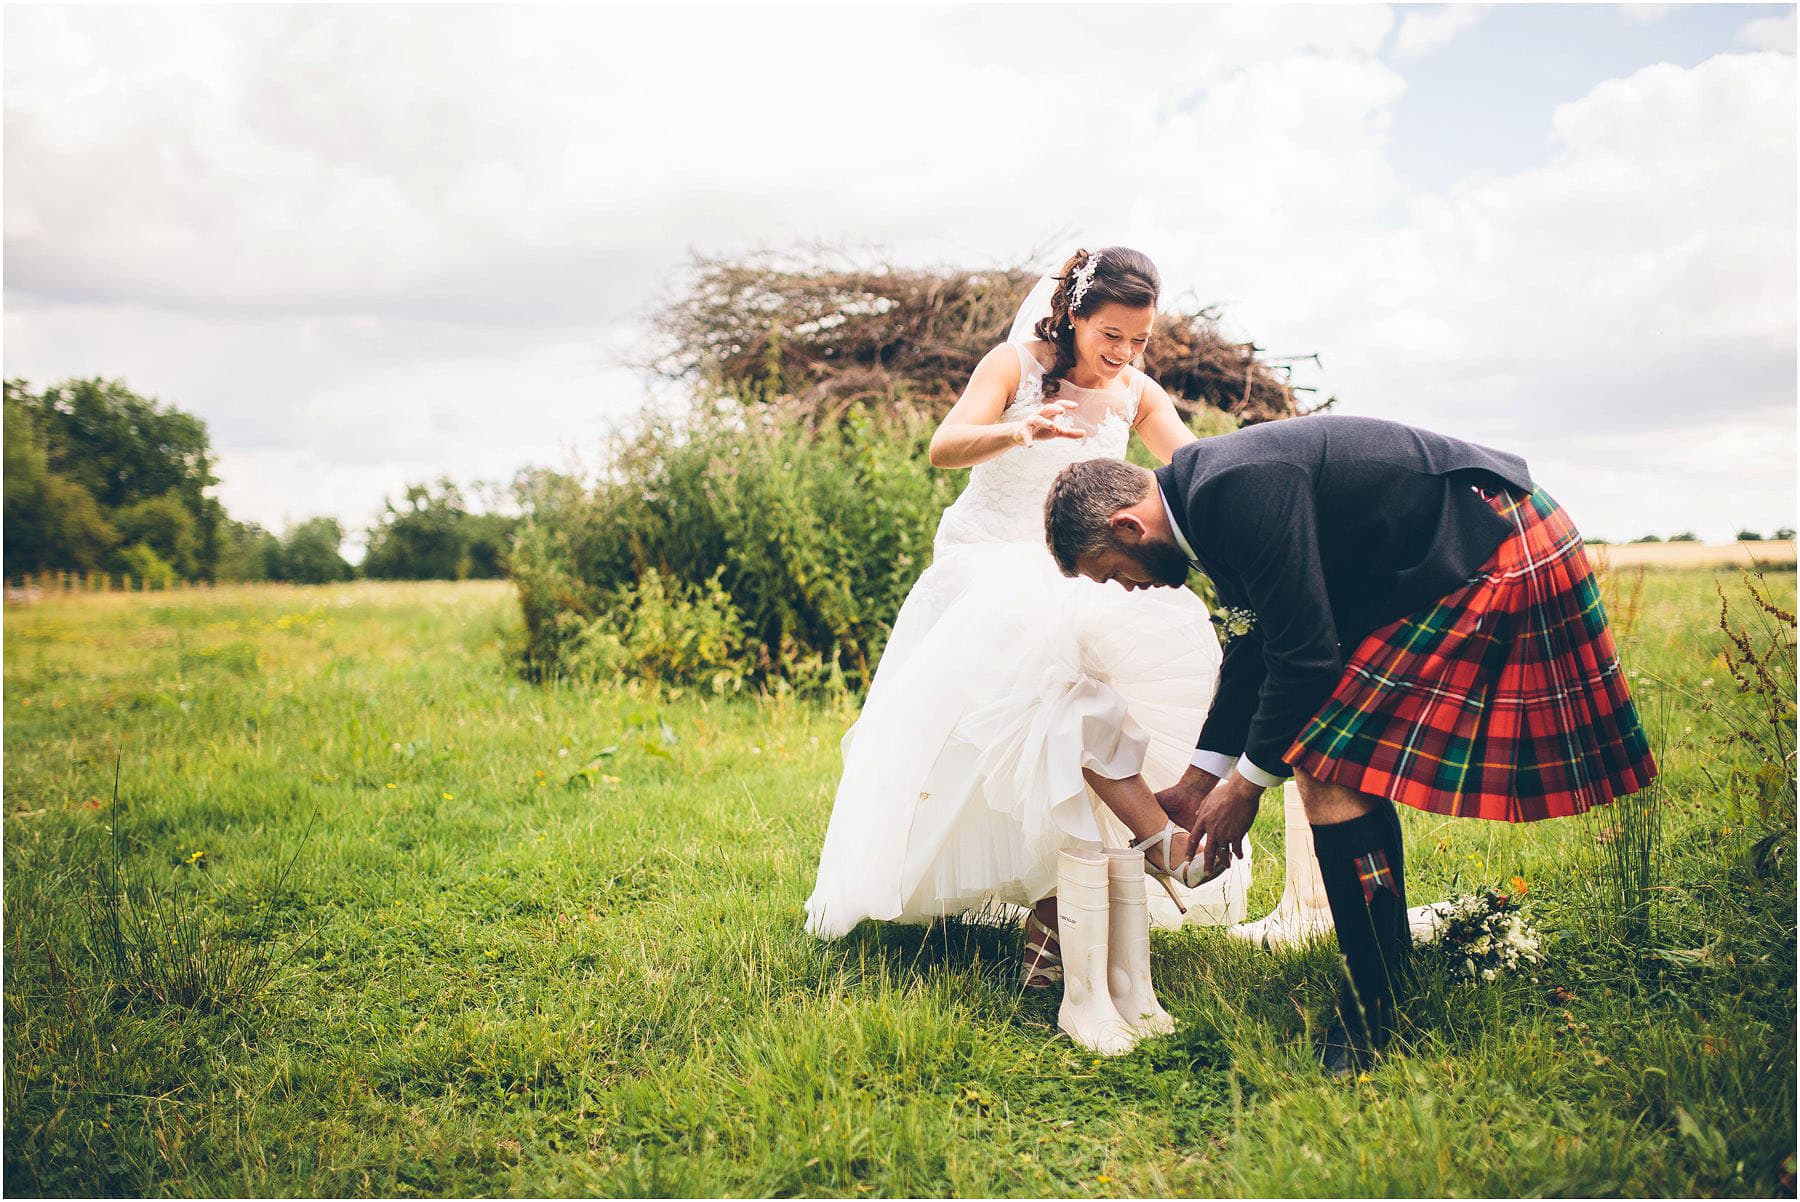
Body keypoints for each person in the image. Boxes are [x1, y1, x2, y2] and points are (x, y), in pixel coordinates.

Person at [1043, 415, 1657, 1074]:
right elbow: (1256, 649)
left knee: (1327, 761)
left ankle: (1374, 1009)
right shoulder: (1203, 504)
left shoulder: (1233, 491)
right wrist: (1199, 782)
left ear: (1128, 528)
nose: (1124, 587)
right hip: (1448, 550)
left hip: (1494, 543)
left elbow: (1306, 661)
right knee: (1331, 760)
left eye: (1110, 572)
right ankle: (1383, 983)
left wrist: (1243, 791)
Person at [804, 248, 1249, 1032]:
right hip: (992, 562)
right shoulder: (1013, 364)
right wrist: (1019, 431)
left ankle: (1063, 914)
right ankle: (1096, 890)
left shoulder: (1134, 392)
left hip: (1089, 570)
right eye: (1111, 335)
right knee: (1049, 699)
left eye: (1139, 341)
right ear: (1073, 314)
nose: (1123, 353)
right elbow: (944, 447)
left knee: (1109, 698)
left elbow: (1189, 464)